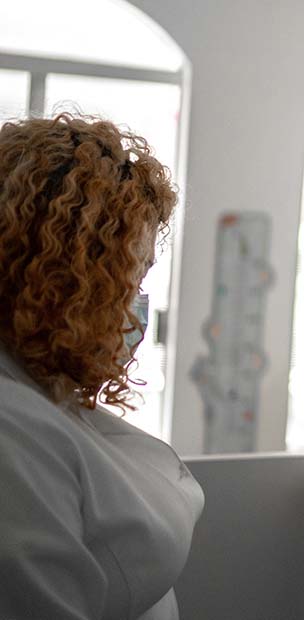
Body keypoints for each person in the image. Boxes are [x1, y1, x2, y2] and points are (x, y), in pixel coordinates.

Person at [0, 114, 203, 619]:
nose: (136, 306)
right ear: (67, 277)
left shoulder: (36, 389)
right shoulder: (10, 430)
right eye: (131, 280)